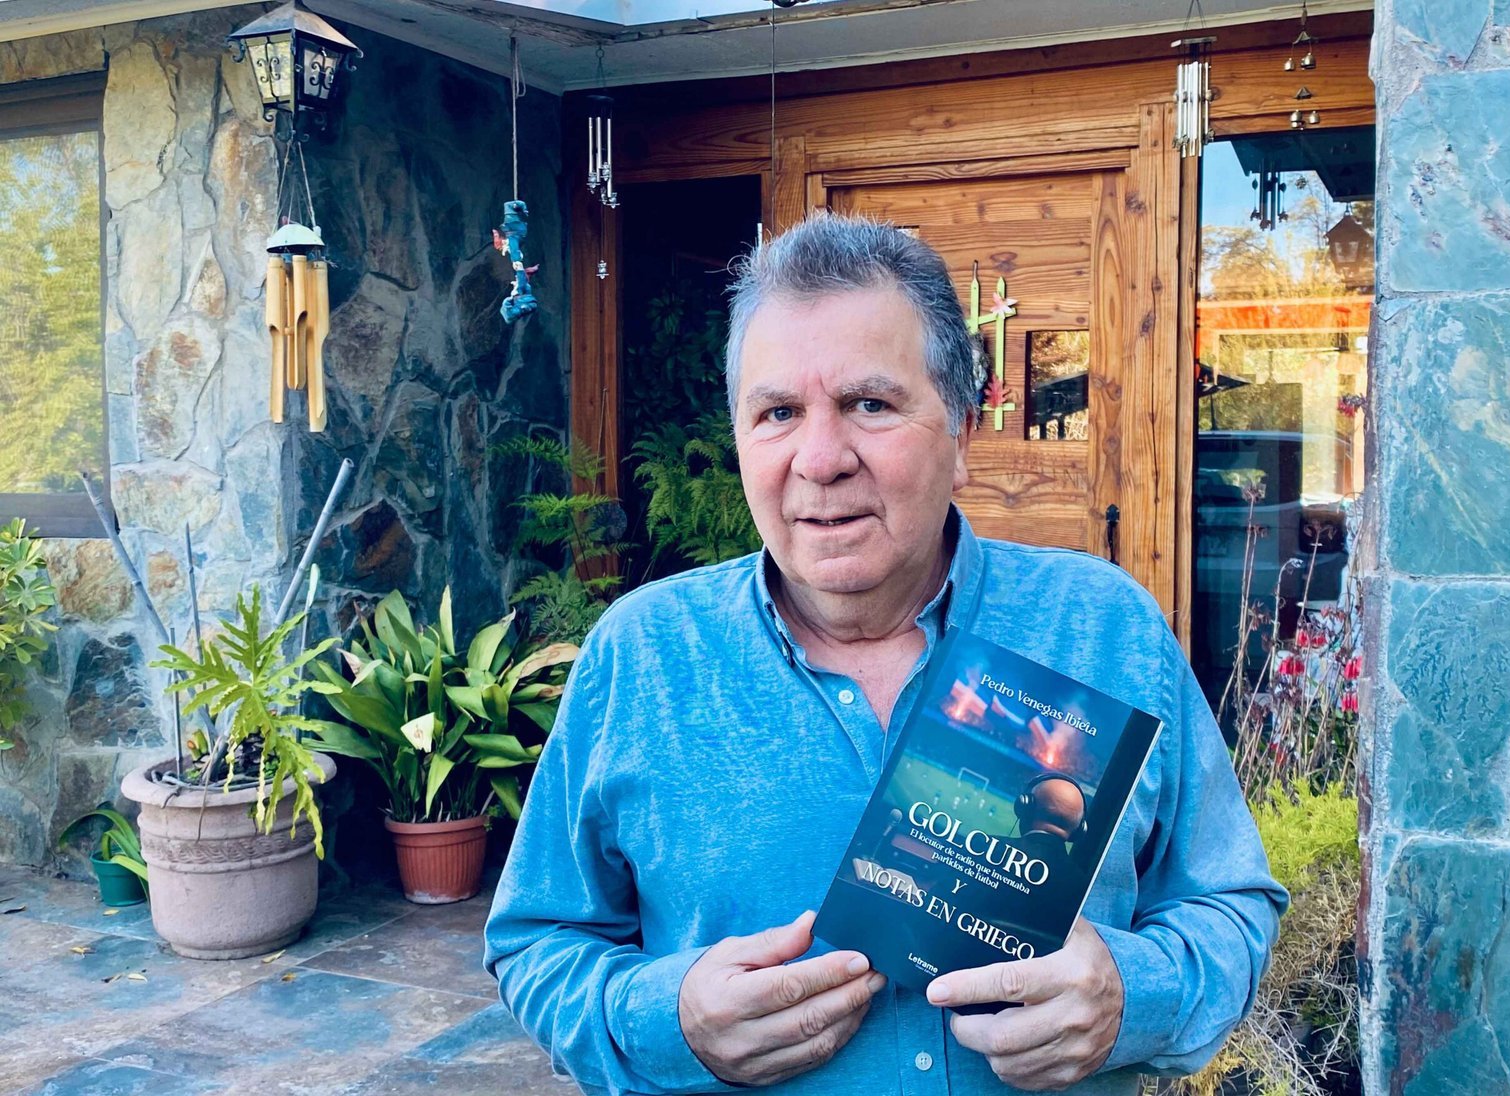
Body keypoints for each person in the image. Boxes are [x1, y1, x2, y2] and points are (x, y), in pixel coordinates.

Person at [484, 213, 1287, 1095]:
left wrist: (1132, 998)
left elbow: (1228, 906)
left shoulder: (1102, 632)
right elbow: (538, 940)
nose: (821, 459)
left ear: (963, 431)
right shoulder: (642, 657)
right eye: (778, 413)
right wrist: (667, 1022)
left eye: (870, 404)